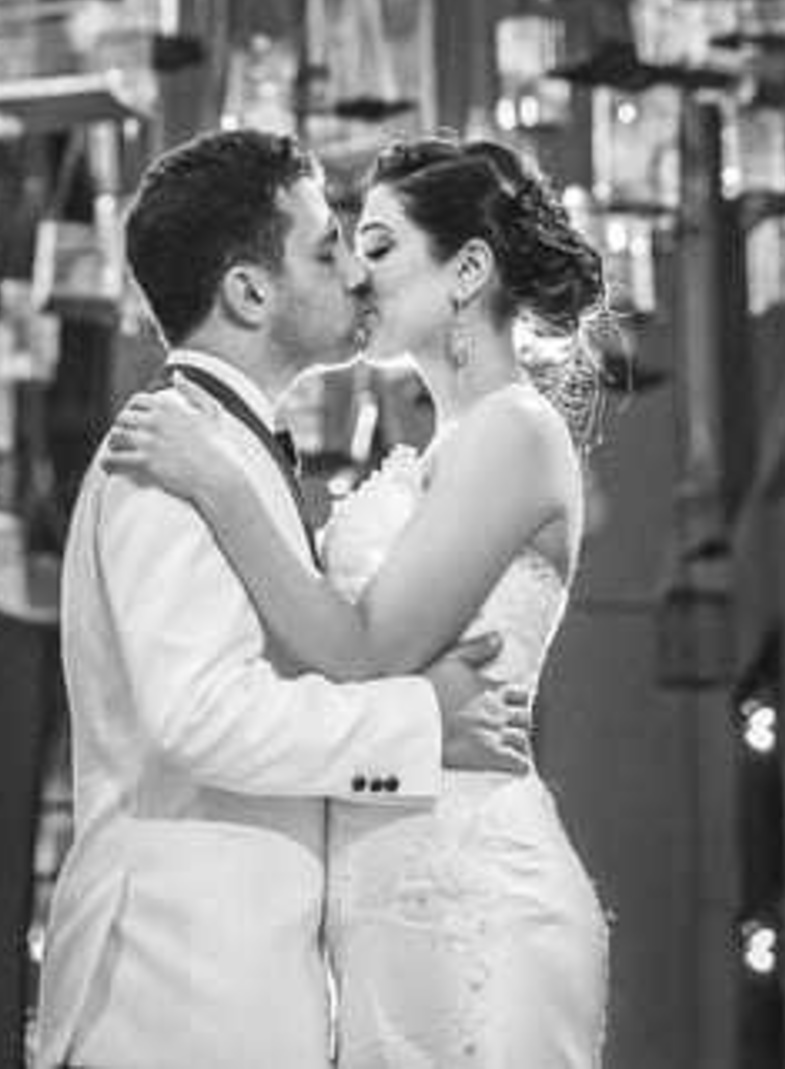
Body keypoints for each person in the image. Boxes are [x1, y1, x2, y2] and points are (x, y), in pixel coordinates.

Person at [104, 130, 613, 1069]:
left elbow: (365, 648)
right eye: (341, 249)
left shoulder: (517, 433)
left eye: (377, 248)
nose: (357, 278)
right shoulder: (444, 451)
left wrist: (220, 486)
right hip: (378, 897)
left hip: (470, 889)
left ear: (466, 270)